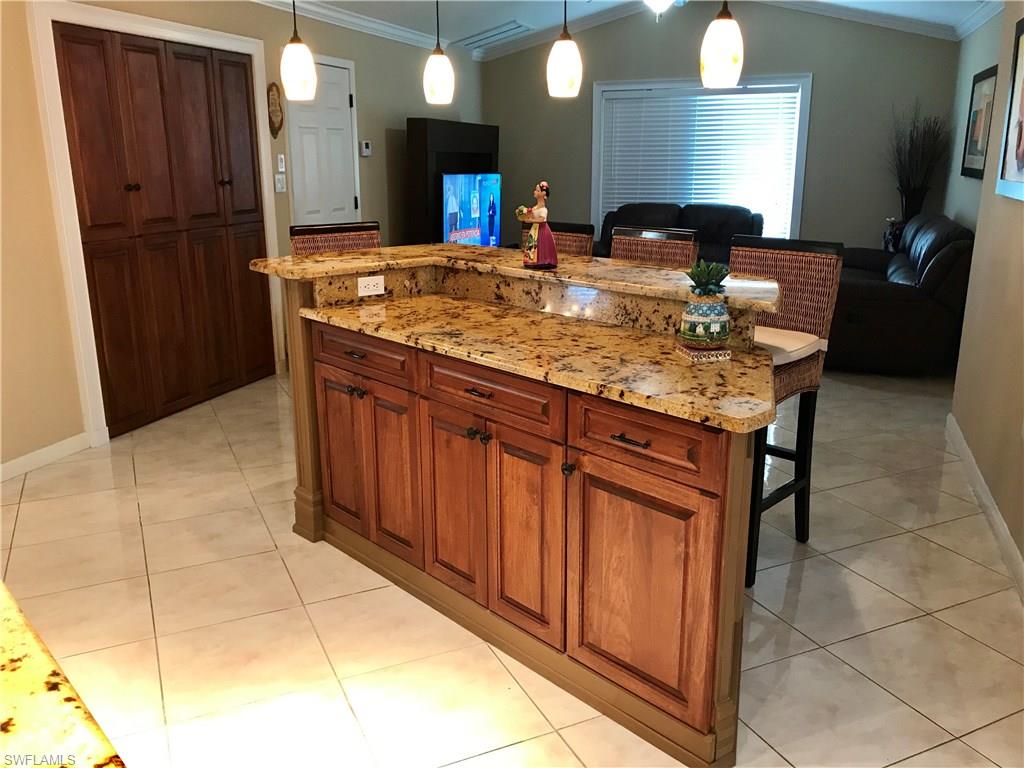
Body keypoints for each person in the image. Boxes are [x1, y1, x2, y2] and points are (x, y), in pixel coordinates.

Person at [515, 181, 557, 270]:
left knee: (542, 245)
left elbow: (542, 219)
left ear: (543, 193)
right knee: (532, 244)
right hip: (534, 230)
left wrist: (531, 220)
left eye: (537, 190)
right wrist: (523, 213)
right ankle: (531, 259)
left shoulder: (544, 209)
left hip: (542, 231)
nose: (535, 192)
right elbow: (530, 214)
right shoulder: (534, 208)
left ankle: (543, 260)